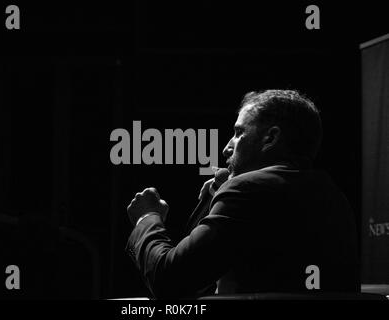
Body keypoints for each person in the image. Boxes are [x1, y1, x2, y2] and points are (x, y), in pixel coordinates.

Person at [125, 90, 359, 299]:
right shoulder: (334, 195)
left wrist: (146, 220)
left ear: (271, 138)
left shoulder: (247, 190)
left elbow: (169, 281)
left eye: (238, 133)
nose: (227, 147)